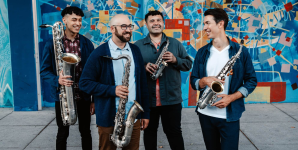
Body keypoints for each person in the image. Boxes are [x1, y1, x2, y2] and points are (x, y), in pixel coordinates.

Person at [79, 14, 150, 150]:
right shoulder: (99, 53)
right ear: (112, 29)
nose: (128, 29)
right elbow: (85, 83)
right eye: (123, 26)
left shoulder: (135, 51)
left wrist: (145, 113)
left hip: (132, 117)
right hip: (108, 118)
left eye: (129, 26)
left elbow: (142, 84)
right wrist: (112, 90)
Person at [190, 8, 257, 150]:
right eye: (204, 23)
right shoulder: (202, 52)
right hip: (205, 113)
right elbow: (194, 81)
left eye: (208, 23)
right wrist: (204, 81)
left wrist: (231, 98)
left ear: (220, 24)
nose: (205, 27)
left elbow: (251, 80)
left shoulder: (240, 51)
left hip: (230, 115)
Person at [134, 10, 192, 150]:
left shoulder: (175, 43)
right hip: (148, 99)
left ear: (163, 23)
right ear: (146, 25)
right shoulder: (137, 45)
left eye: (158, 20)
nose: (156, 23)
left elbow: (188, 64)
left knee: (174, 133)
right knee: (149, 132)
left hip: (171, 99)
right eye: (152, 21)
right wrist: (143, 66)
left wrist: (175, 59)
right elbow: (131, 68)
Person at [40, 6, 95, 150]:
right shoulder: (52, 44)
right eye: (74, 19)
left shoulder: (87, 43)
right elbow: (44, 71)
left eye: (80, 20)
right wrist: (57, 80)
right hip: (63, 94)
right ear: (64, 20)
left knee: (86, 132)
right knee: (63, 132)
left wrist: (93, 99)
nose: (78, 23)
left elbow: (95, 73)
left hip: (83, 95)